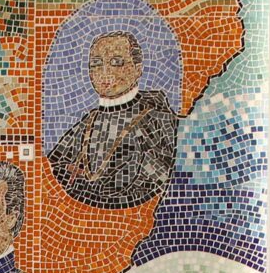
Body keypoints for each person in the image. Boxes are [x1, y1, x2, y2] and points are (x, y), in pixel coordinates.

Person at [51, 29, 180, 209]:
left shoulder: (158, 121)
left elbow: (157, 179)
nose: (104, 71)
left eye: (116, 62)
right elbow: (52, 170)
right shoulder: (88, 122)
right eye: (96, 63)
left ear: (137, 68)